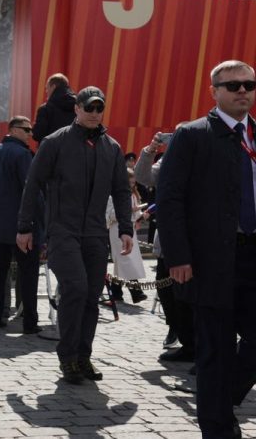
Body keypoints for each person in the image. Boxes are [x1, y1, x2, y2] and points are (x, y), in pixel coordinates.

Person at [158, 60, 256, 438]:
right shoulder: (192, 135)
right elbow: (170, 199)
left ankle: (221, 396)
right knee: (214, 349)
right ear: (213, 91)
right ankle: (218, 428)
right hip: (210, 261)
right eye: (232, 86)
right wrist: (179, 257)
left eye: (248, 84)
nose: (242, 91)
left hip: (252, 255)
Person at [18, 86, 133, 384]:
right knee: (76, 288)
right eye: (89, 107)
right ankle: (67, 357)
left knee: (91, 298)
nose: (95, 113)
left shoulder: (112, 147)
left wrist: (126, 229)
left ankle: (83, 356)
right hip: (62, 232)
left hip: (95, 234)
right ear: (77, 109)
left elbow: (122, 190)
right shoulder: (55, 142)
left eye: (99, 108)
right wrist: (24, 227)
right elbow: (33, 184)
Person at [134, 129, 195, 361]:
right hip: (169, 235)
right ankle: (175, 327)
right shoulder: (167, 161)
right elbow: (143, 176)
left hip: (198, 236)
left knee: (189, 292)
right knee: (164, 285)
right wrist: (150, 150)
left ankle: (192, 341)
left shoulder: (204, 159)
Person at [0, 116, 42, 333]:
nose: (30, 134)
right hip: (20, 225)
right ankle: (30, 322)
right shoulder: (22, 155)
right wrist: (37, 221)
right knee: (28, 274)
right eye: (26, 130)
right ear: (13, 130)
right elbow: (31, 190)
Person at [105, 168, 148, 303]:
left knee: (122, 262)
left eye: (133, 183)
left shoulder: (132, 195)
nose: (131, 186)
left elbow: (134, 216)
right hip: (117, 230)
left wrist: (141, 215)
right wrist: (127, 210)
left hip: (130, 230)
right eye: (129, 183)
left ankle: (116, 292)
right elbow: (110, 215)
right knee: (126, 260)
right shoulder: (113, 196)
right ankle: (136, 291)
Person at [32, 73, 77, 143]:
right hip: (74, 150)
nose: (46, 91)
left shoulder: (45, 109)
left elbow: (37, 135)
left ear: (53, 86)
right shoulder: (79, 107)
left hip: (51, 151)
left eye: (47, 88)